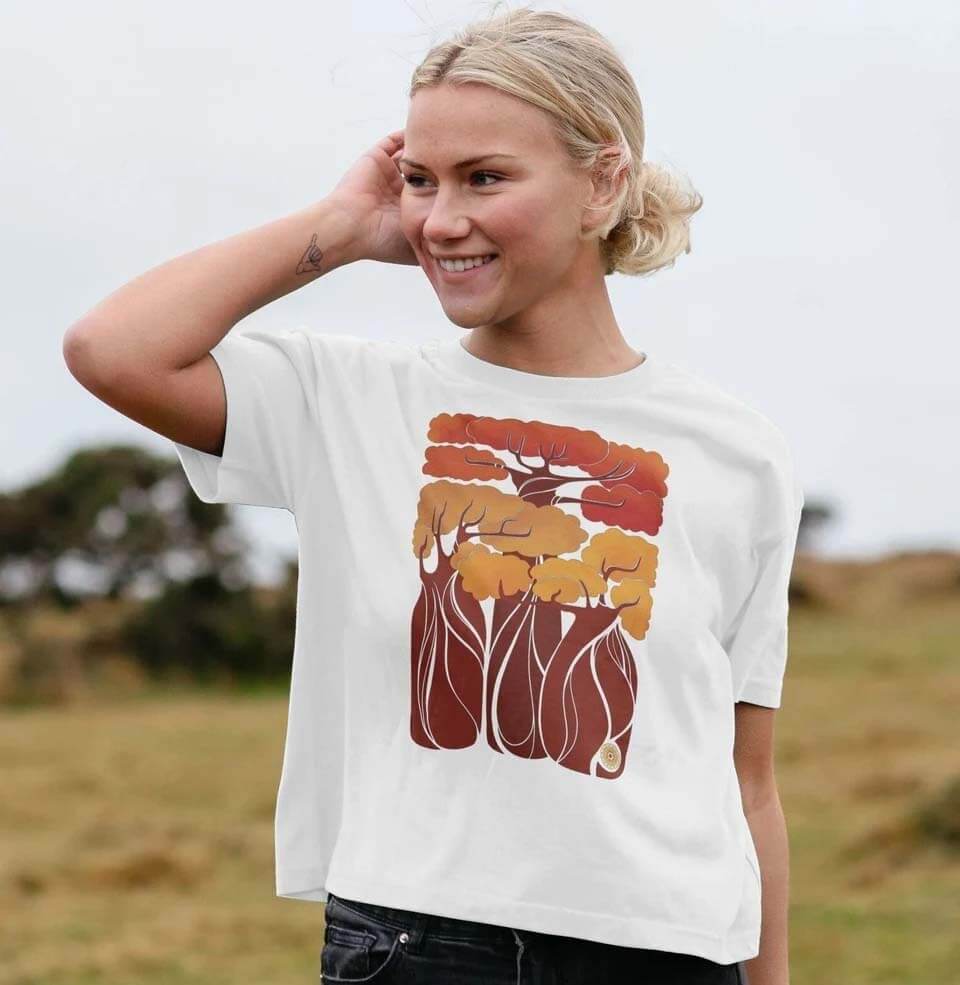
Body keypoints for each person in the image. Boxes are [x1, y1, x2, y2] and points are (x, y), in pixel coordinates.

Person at [63, 6, 802, 984]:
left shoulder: (737, 452)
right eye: (420, 178)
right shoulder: (347, 400)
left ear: (603, 181)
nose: (440, 219)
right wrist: (339, 228)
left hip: (666, 950)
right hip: (418, 945)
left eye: (484, 177)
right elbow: (112, 349)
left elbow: (747, 783)